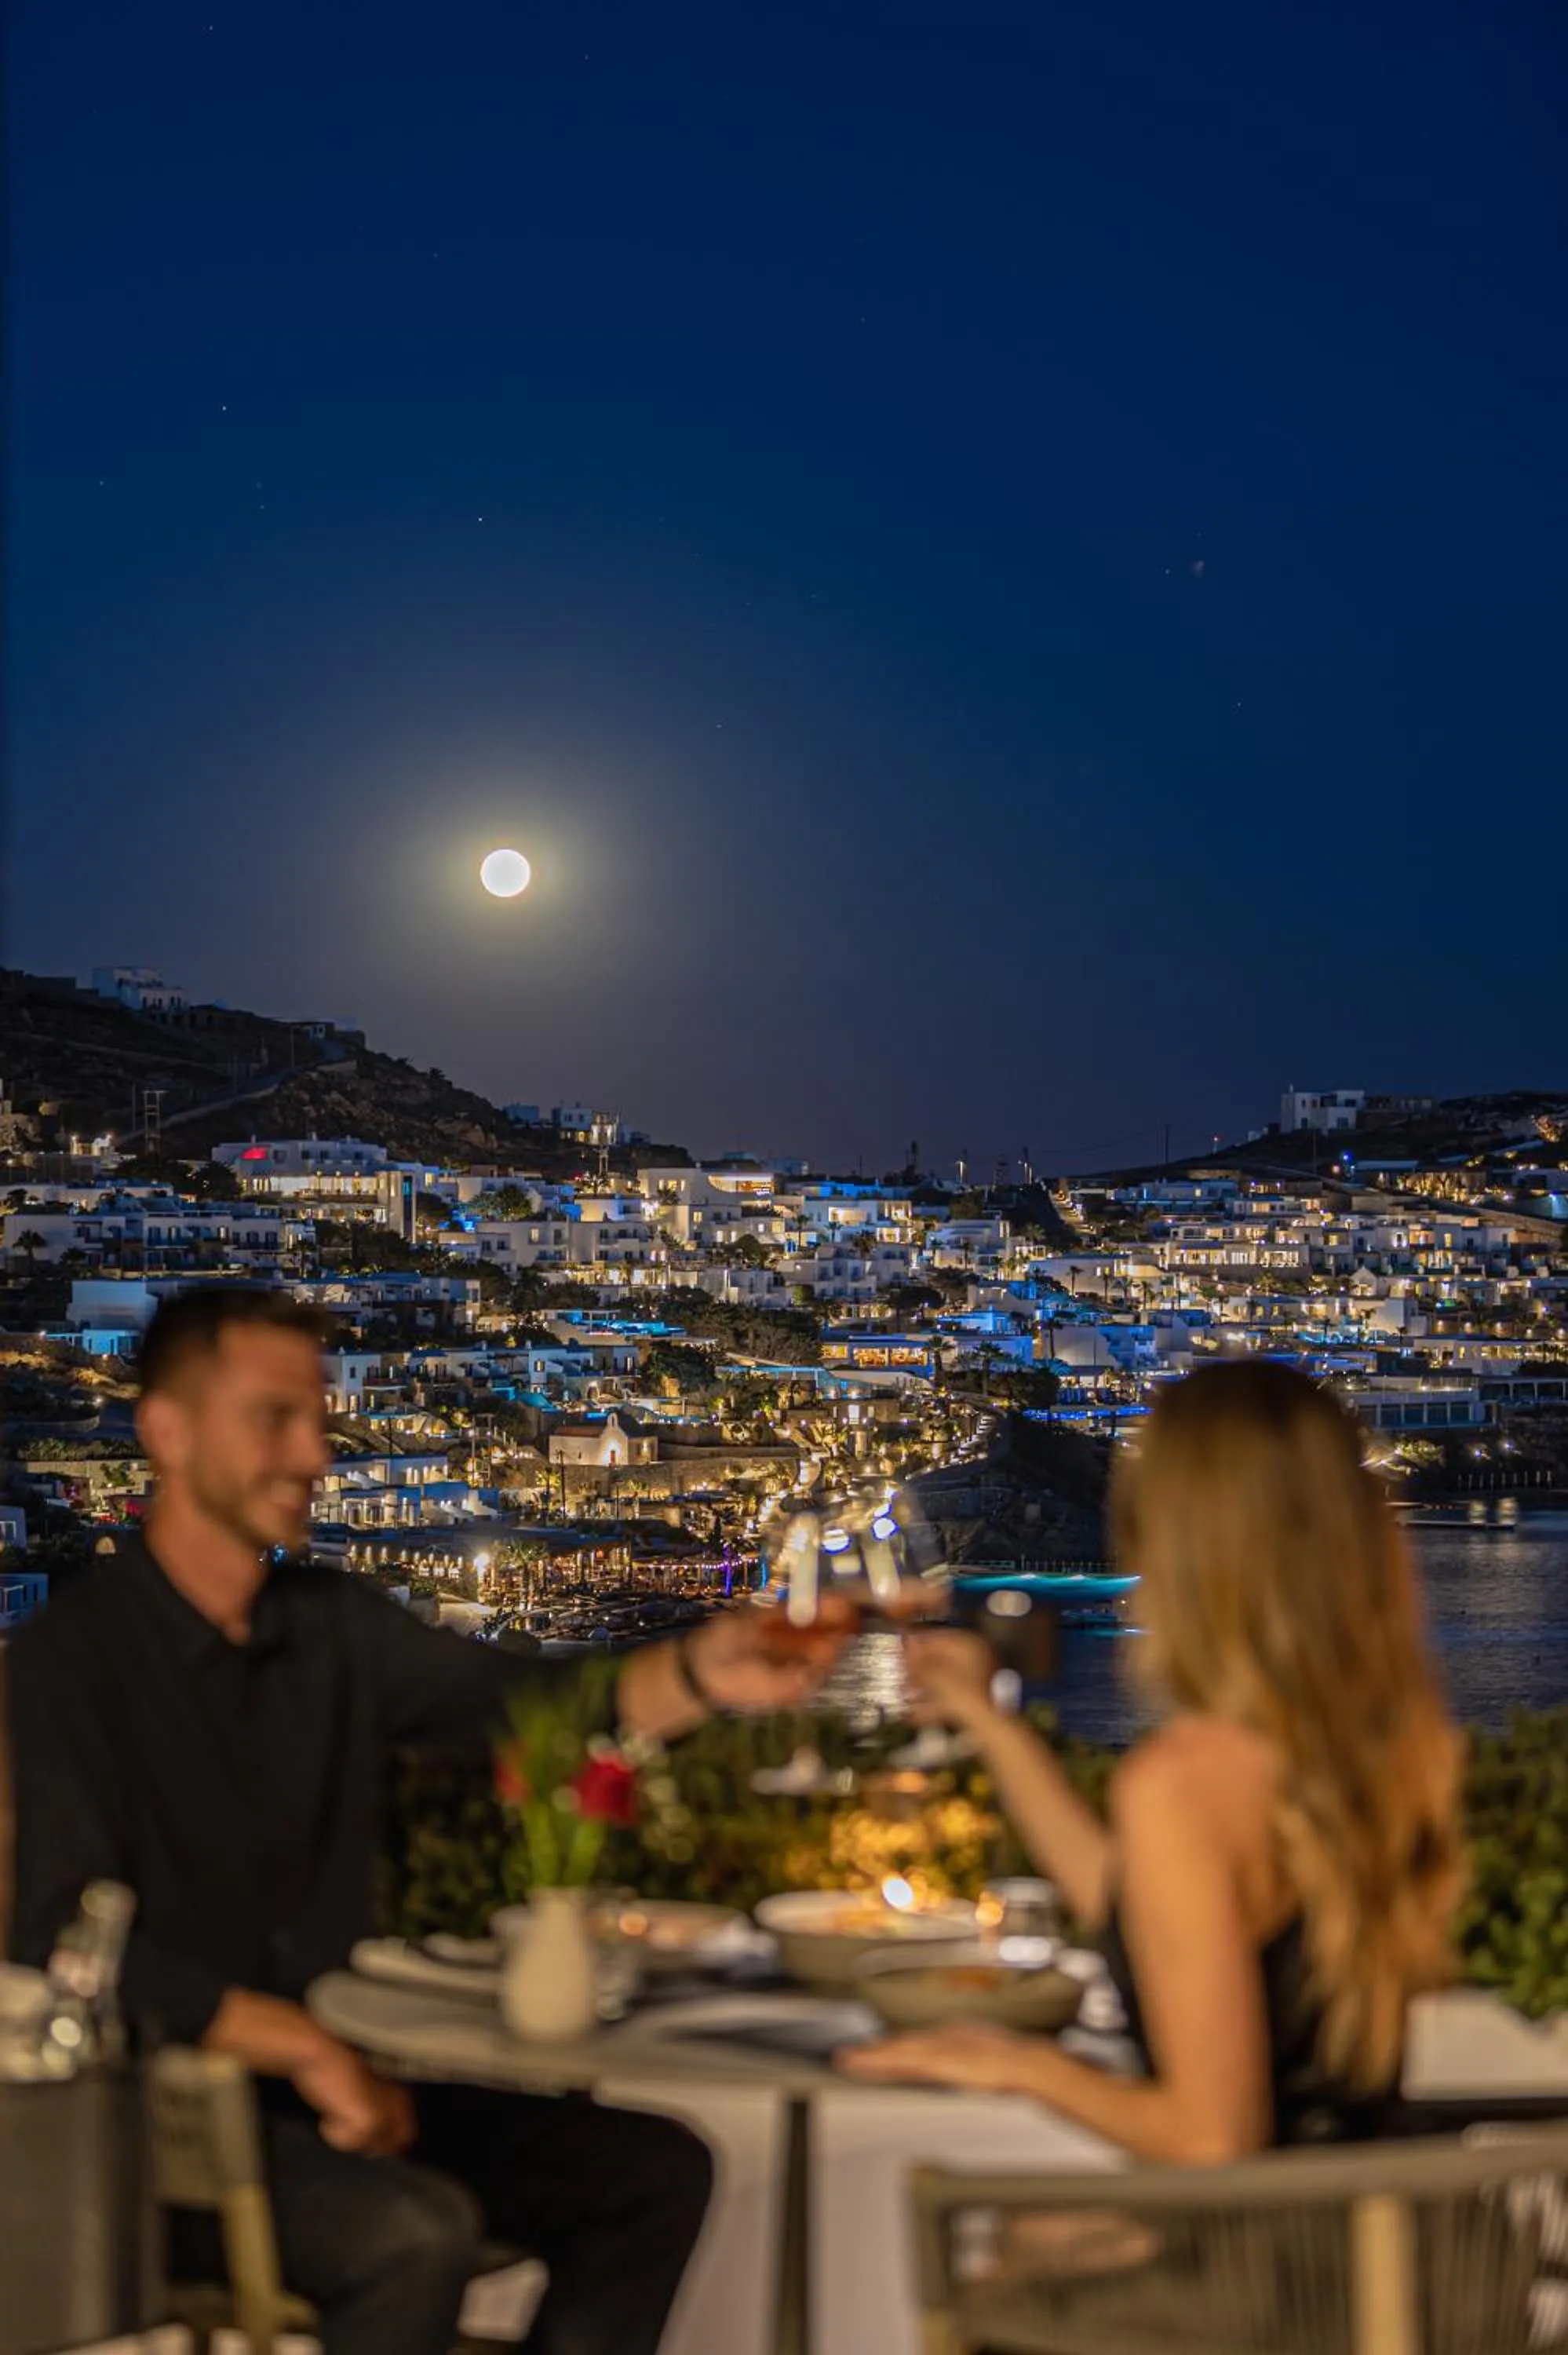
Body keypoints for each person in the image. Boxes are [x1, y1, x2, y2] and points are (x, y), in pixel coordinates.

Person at [6, 1286, 847, 2355]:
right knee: (416, 2238)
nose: (314, 1452)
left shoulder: (331, 1628)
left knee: (655, 2173)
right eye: (276, 1418)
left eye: (316, 1417)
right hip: (153, 2129)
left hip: (338, 2089)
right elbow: (58, 1930)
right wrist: (304, 2047)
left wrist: (701, 1670)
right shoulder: (71, 1662)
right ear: (165, 1431)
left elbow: (530, 1709)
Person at [843, 1359, 1464, 2158]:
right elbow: (1141, 1912)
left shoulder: (1183, 1780)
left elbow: (1211, 2137)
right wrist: (990, 1725)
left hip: (1265, 2256)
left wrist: (1019, 2066)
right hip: (1369, 2222)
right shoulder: (1380, 1743)